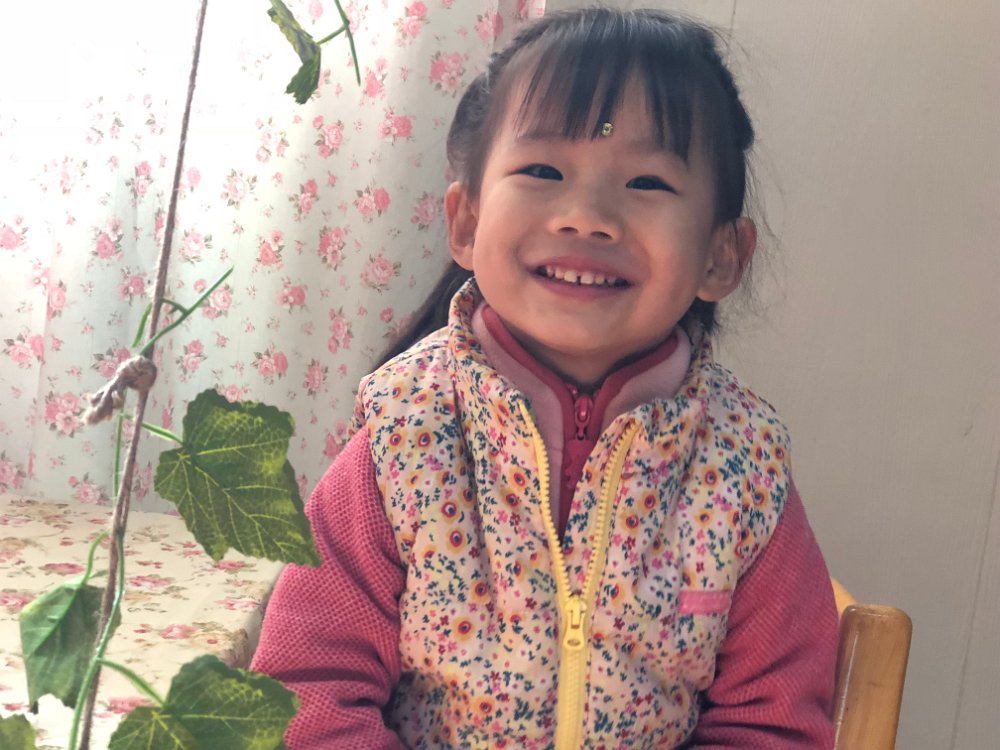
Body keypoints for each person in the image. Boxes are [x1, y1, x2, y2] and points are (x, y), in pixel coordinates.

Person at [253, 8, 838, 748]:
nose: (587, 216)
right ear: (466, 223)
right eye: (543, 171)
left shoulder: (743, 468)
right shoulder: (404, 440)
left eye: (647, 181)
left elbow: (772, 722)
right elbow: (307, 694)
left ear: (723, 256)